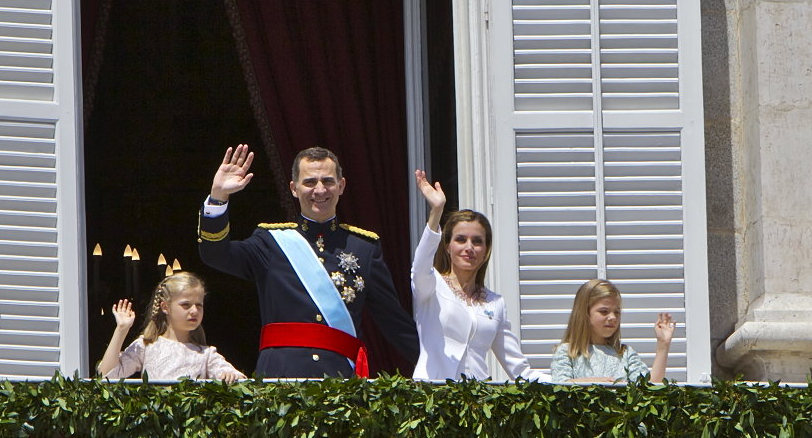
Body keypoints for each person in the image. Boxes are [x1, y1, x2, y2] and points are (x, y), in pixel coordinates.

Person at [198, 144, 418, 377]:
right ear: (294, 188)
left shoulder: (364, 248)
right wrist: (218, 197)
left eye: (328, 181)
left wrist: (447, 372)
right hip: (280, 379)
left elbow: (394, 322)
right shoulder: (269, 242)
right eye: (310, 182)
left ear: (341, 186)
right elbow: (215, 254)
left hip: (340, 380)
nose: (320, 190)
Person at [411, 170, 543, 381]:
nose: (469, 248)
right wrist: (436, 212)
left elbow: (520, 371)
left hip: (477, 403)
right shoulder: (431, 285)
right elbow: (419, 266)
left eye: (477, 241)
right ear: (447, 246)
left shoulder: (495, 303)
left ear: (486, 250)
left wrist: (568, 383)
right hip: (432, 398)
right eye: (461, 240)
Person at [99, 272, 246, 383]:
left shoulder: (206, 354)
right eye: (185, 305)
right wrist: (121, 330)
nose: (194, 311)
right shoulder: (146, 346)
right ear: (165, 307)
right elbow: (107, 375)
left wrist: (228, 375)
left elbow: (236, 377)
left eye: (199, 305)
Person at [551, 279, 675, 383]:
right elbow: (560, 386)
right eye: (604, 311)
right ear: (584, 313)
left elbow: (649, 388)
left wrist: (663, 346)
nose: (613, 318)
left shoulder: (625, 354)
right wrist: (598, 384)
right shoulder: (567, 353)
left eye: (617, 312)